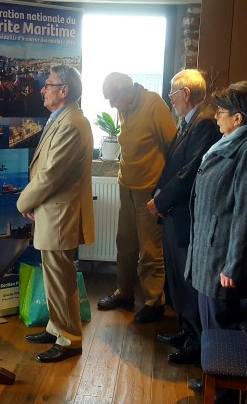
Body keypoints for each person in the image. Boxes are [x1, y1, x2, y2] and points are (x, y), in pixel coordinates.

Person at [185, 81, 247, 397]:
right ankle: (215, 376)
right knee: (211, 325)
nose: (216, 117)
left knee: (221, 328)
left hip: (222, 257)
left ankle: (224, 388)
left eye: (221, 112)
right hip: (210, 249)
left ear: (238, 118)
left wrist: (234, 266)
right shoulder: (233, 142)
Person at [17, 65, 94, 363]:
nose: (42, 89)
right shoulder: (62, 118)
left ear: (64, 91)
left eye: (48, 84)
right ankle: (56, 327)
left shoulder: (73, 123)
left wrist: (22, 202)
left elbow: (50, 175)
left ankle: (70, 340)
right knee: (54, 279)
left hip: (60, 216)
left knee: (61, 281)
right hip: (52, 212)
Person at [148, 69, 220, 364]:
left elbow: (189, 173)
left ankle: (194, 342)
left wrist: (161, 200)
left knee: (187, 281)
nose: (170, 99)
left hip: (185, 214)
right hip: (173, 212)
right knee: (176, 278)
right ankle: (184, 329)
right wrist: (159, 194)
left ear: (186, 94)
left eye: (172, 93)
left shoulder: (204, 123)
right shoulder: (188, 122)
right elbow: (172, 165)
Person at [97, 72, 177, 324]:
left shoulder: (154, 104)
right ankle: (125, 293)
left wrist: (162, 190)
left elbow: (174, 147)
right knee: (125, 243)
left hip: (148, 191)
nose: (111, 105)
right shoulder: (125, 106)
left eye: (112, 98)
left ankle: (154, 302)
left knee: (150, 249)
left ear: (125, 90)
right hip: (127, 186)